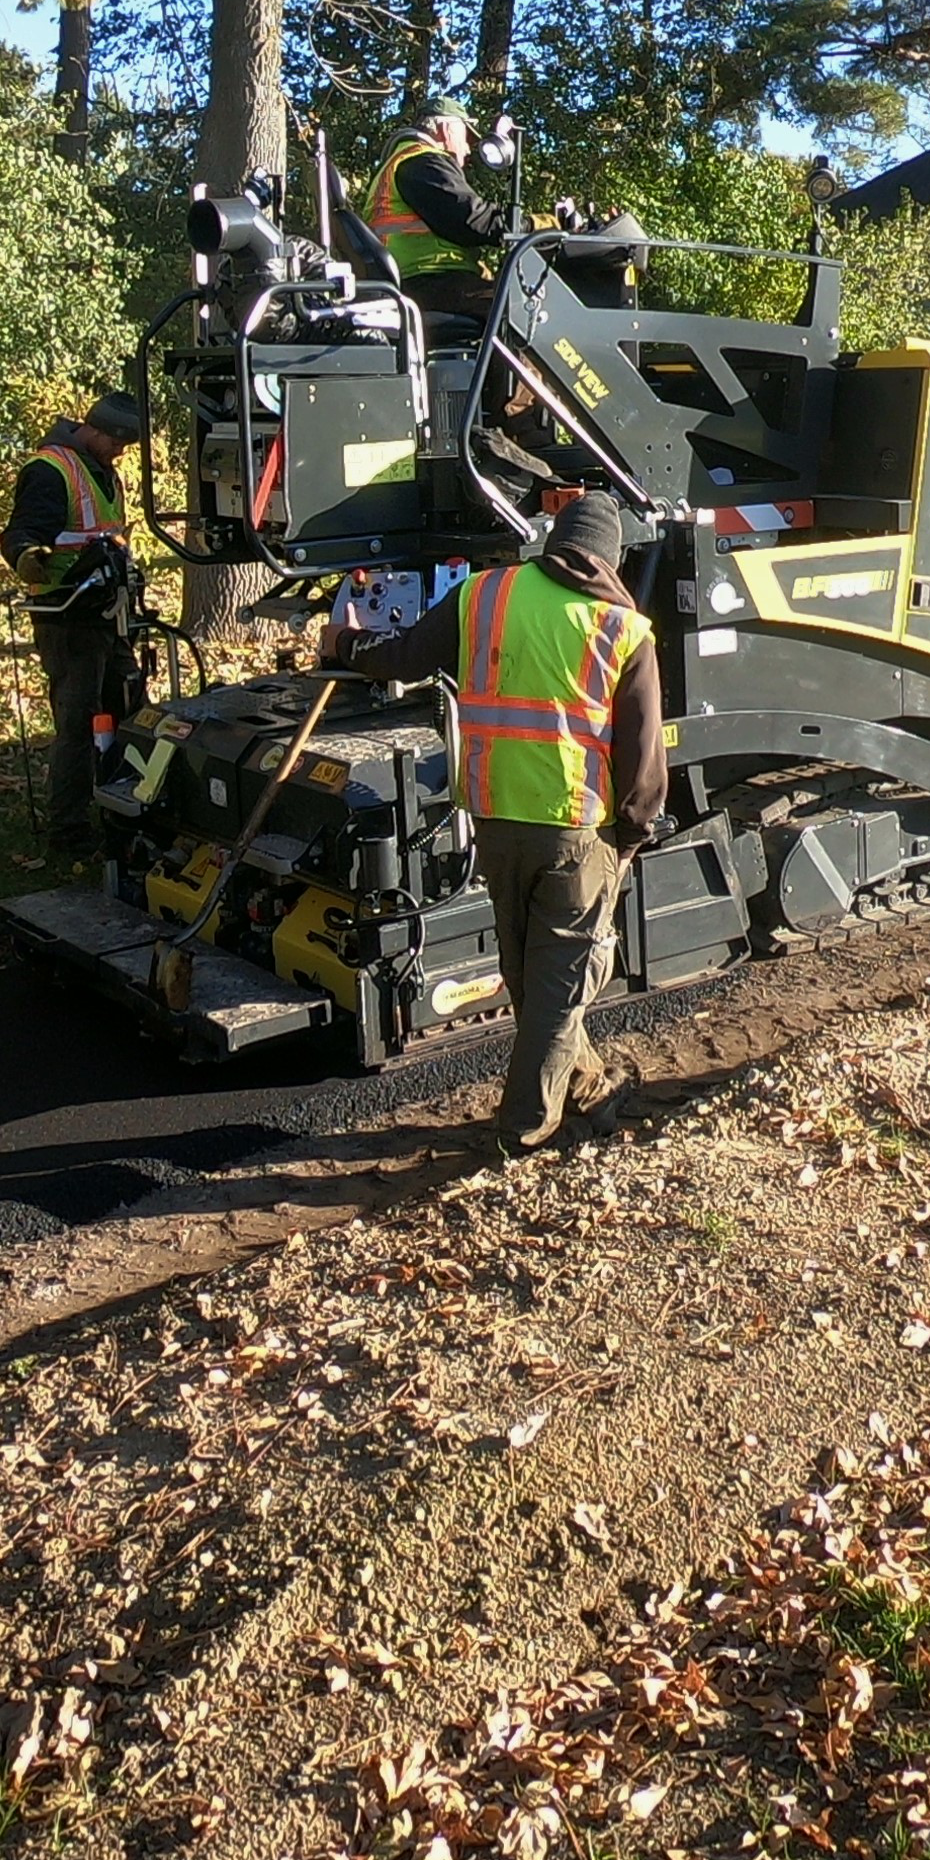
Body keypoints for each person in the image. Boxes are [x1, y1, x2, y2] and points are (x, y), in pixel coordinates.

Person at [327, 490, 662, 1152]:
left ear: (554, 542)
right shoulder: (625, 630)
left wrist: (342, 641)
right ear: (611, 559)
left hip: (494, 818)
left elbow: (401, 661)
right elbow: (644, 753)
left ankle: (589, 1089)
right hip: (576, 828)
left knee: (530, 979)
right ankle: (525, 1134)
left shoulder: (484, 595)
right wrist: (632, 834)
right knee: (561, 987)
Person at [0, 391, 148, 860]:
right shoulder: (50, 470)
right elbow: (22, 532)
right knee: (78, 723)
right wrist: (27, 556)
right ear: (96, 431)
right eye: (117, 442)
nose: (121, 452)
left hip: (110, 612)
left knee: (131, 708)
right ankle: (69, 830)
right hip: (67, 616)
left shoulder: (104, 472)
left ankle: (128, 808)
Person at [363, 103, 510, 327]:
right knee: (521, 311)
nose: (468, 149)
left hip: (418, 281)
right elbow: (470, 219)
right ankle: (504, 364)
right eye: (466, 137)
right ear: (446, 129)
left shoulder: (400, 162)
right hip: (429, 281)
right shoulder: (423, 162)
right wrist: (529, 226)